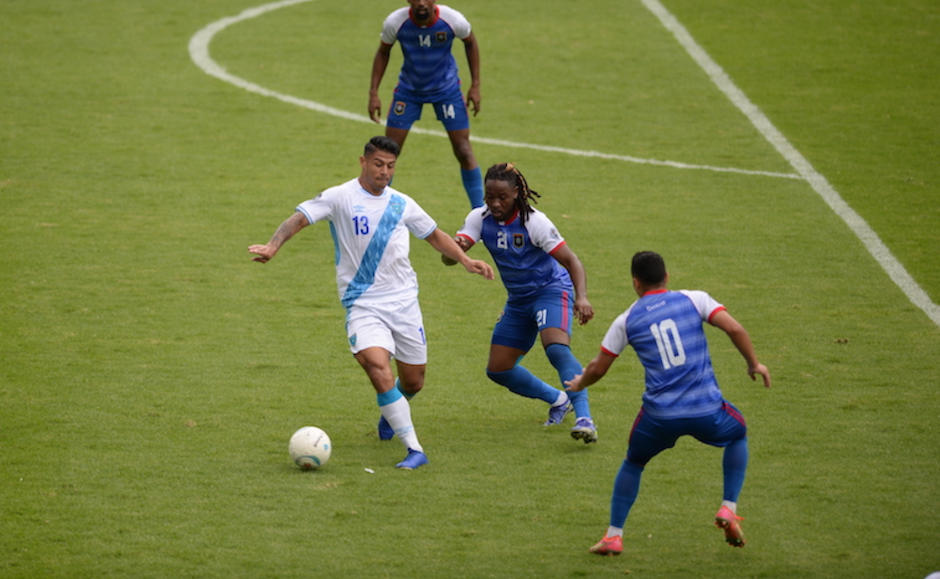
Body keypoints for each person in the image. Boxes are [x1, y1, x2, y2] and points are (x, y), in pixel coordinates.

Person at [248, 136, 494, 470]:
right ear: (363, 162)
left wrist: (465, 261)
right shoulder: (340, 197)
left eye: (390, 166)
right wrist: (273, 245)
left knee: (414, 381)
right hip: (363, 303)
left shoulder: (401, 203)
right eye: (378, 164)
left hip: (404, 302)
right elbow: (299, 218)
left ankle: (391, 412)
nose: (384, 172)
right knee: (377, 367)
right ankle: (414, 449)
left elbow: (434, 235)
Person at [565, 251, 772, 555]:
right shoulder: (695, 299)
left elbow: (598, 368)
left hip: (659, 417)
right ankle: (728, 507)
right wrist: (754, 363)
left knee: (634, 462)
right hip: (706, 409)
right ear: (667, 277)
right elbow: (734, 328)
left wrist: (580, 383)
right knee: (738, 434)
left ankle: (614, 536)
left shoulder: (626, 320)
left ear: (636, 282)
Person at [444, 163, 597, 442]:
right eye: (490, 196)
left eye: (502, 197)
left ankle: (584, 417)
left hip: (551, 290)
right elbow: (449, 258)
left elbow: (571, 260)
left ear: (516, 193)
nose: (495, 203)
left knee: (556, 349)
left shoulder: (534, 222)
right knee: (498, 369)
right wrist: (456, 249)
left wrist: (582, 297)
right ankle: (559, 400)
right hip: (518, 300)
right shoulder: (479, 218)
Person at [368, 0, 483, 209]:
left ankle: (480, 213)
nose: (421, 2)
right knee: (388, 153)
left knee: (463, 150)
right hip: (409, 91)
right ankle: (377, 209)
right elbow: (383, 52)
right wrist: (374, 93)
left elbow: (470, 43)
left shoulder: (453, 20)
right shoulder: (395, 22)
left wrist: (475, 85)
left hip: (446, 90)